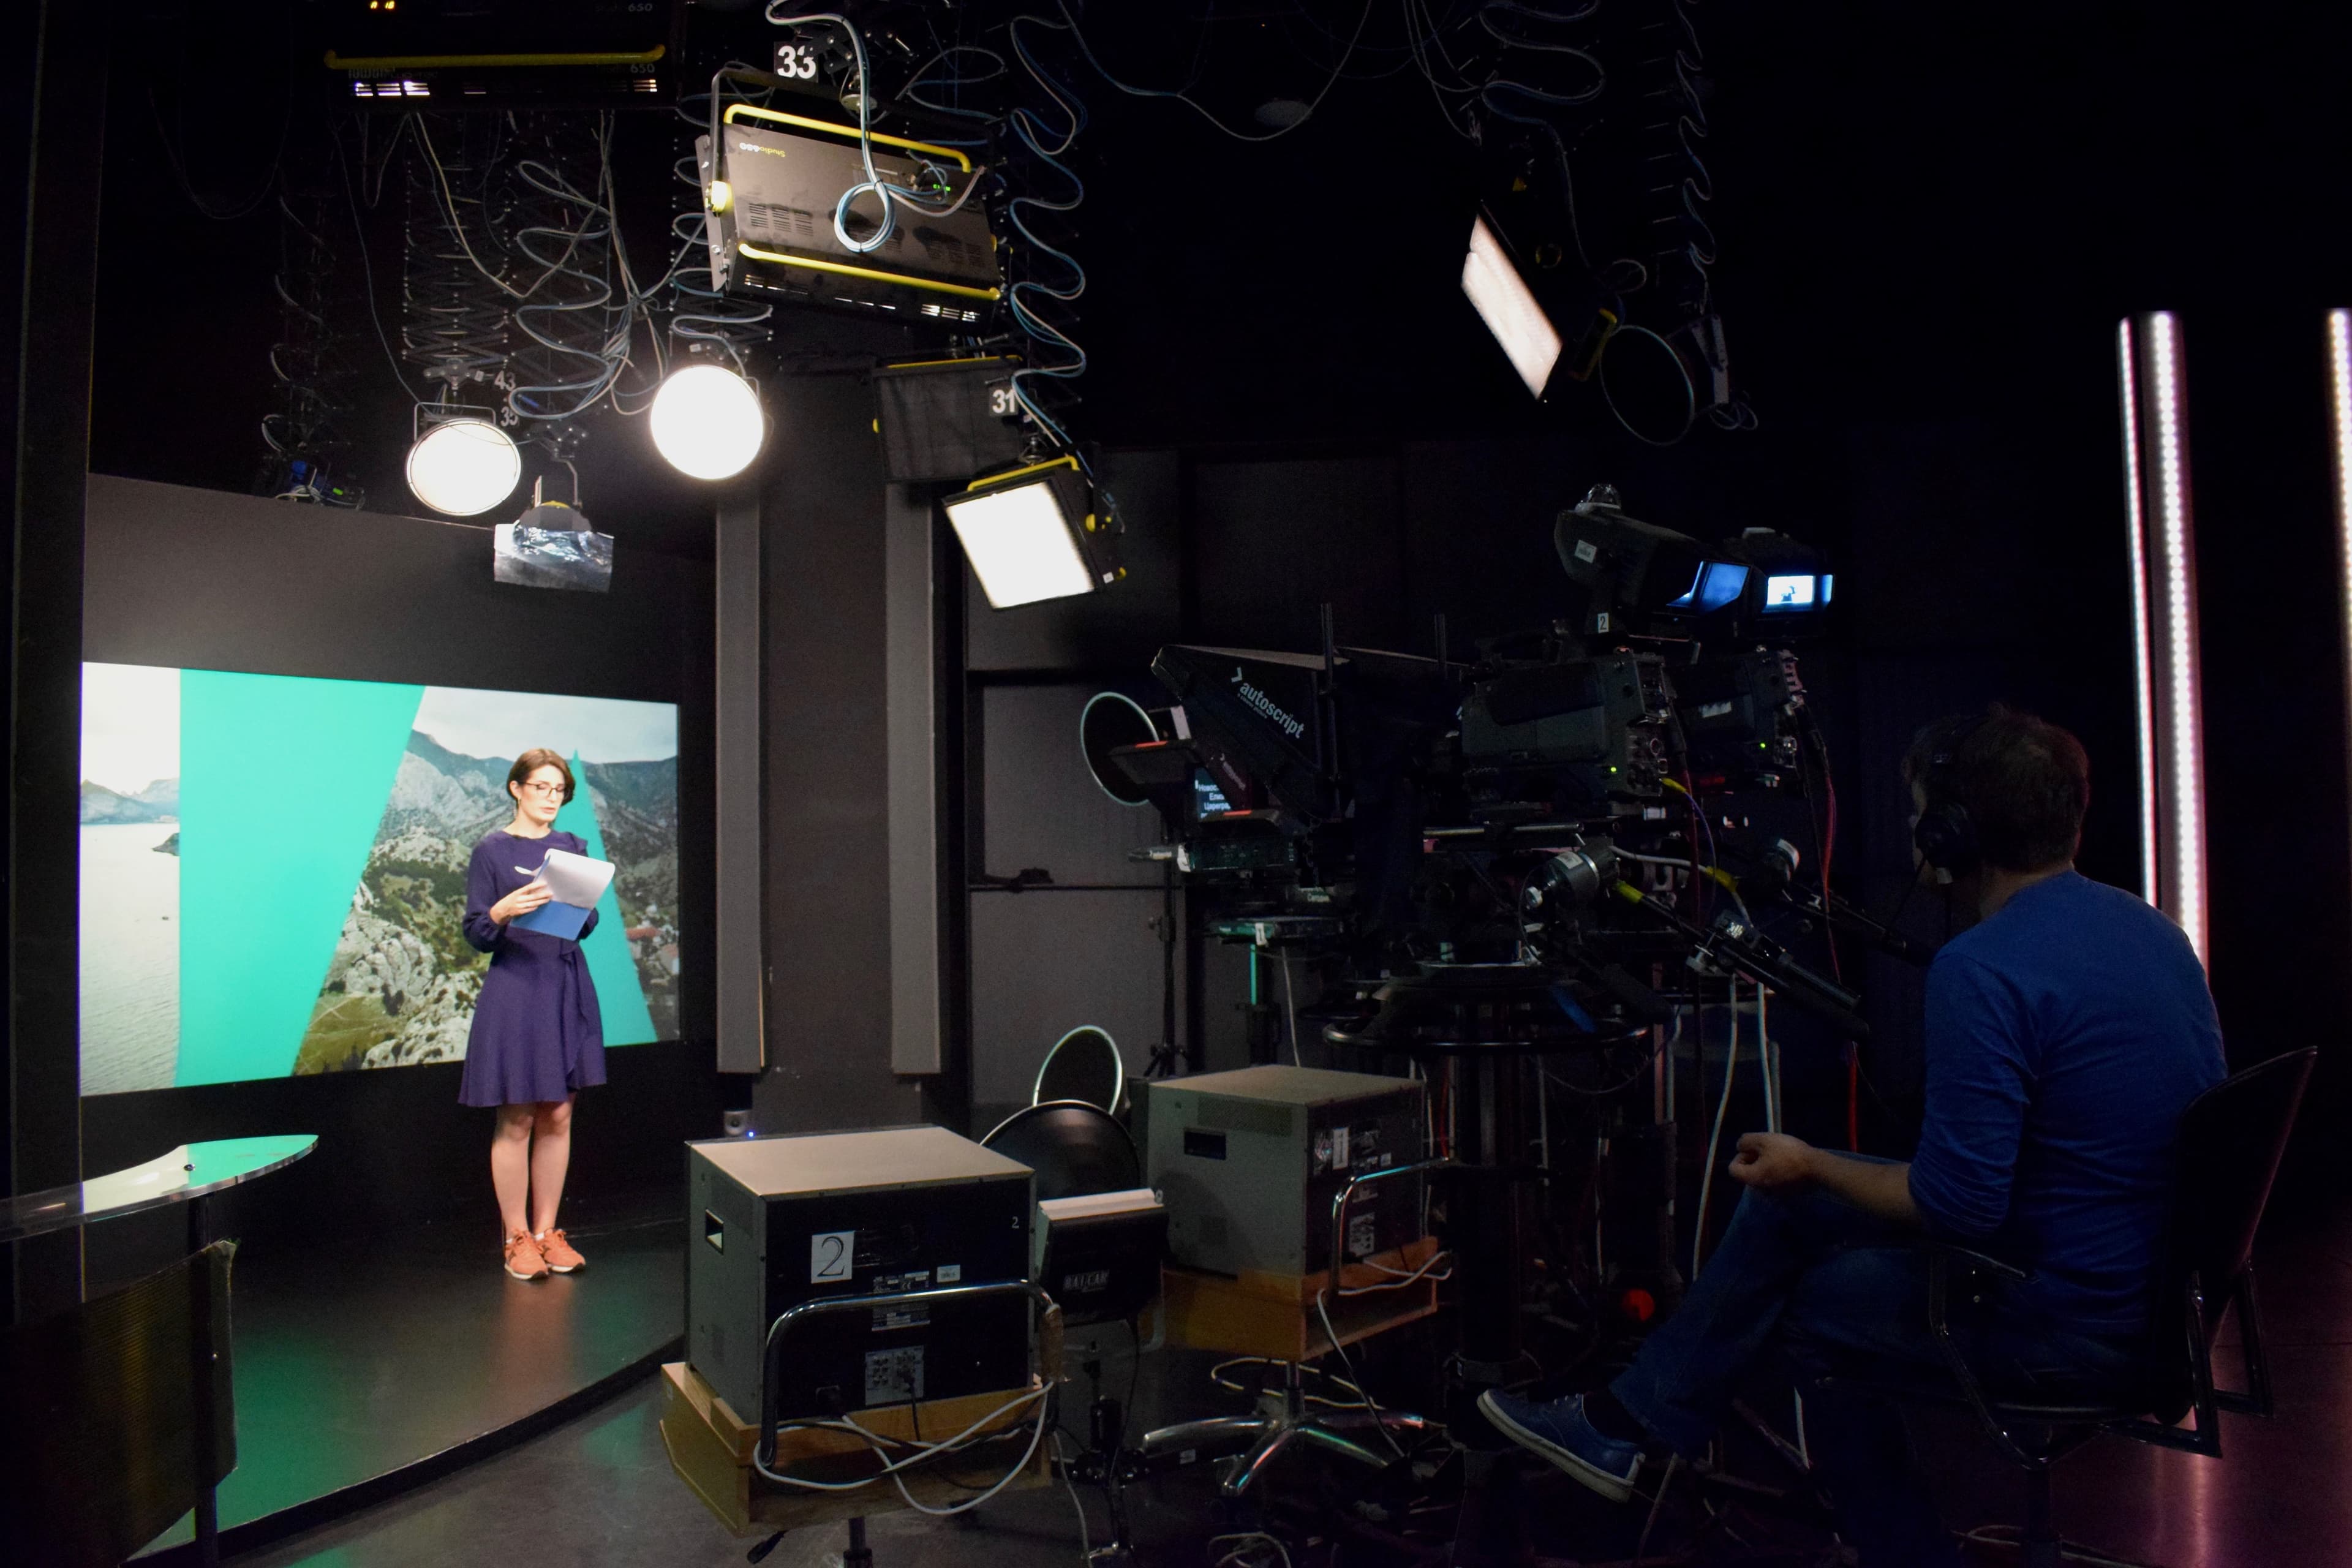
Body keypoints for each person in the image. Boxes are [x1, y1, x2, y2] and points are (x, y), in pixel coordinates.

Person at [1479, 706, 2226, 1566]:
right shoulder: (2149, 928)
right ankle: (1622, 1425)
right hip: (2153, 1301)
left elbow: (1961, 1206)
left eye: (1921, 813)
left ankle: (1901, 1552)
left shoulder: (1984, 971)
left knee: (1818, 1308)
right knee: (1791, 1206)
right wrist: (1814, 1173)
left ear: (1952, 833)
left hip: (2069, 1321)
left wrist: (1813, 1161)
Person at [460, 748, 607, 1281]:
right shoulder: (491, 851)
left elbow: (586, 925)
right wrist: (501, 911)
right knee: (517, 1116)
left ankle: (547, 1232)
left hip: (565, 983)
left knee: (560, 1113)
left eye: (558, 790)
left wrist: (581, 908)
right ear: (516, 789)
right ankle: (515, 1237)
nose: (550, 799)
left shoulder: (573, 848)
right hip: (517, 989)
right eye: (540, 787)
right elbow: (477, 932)